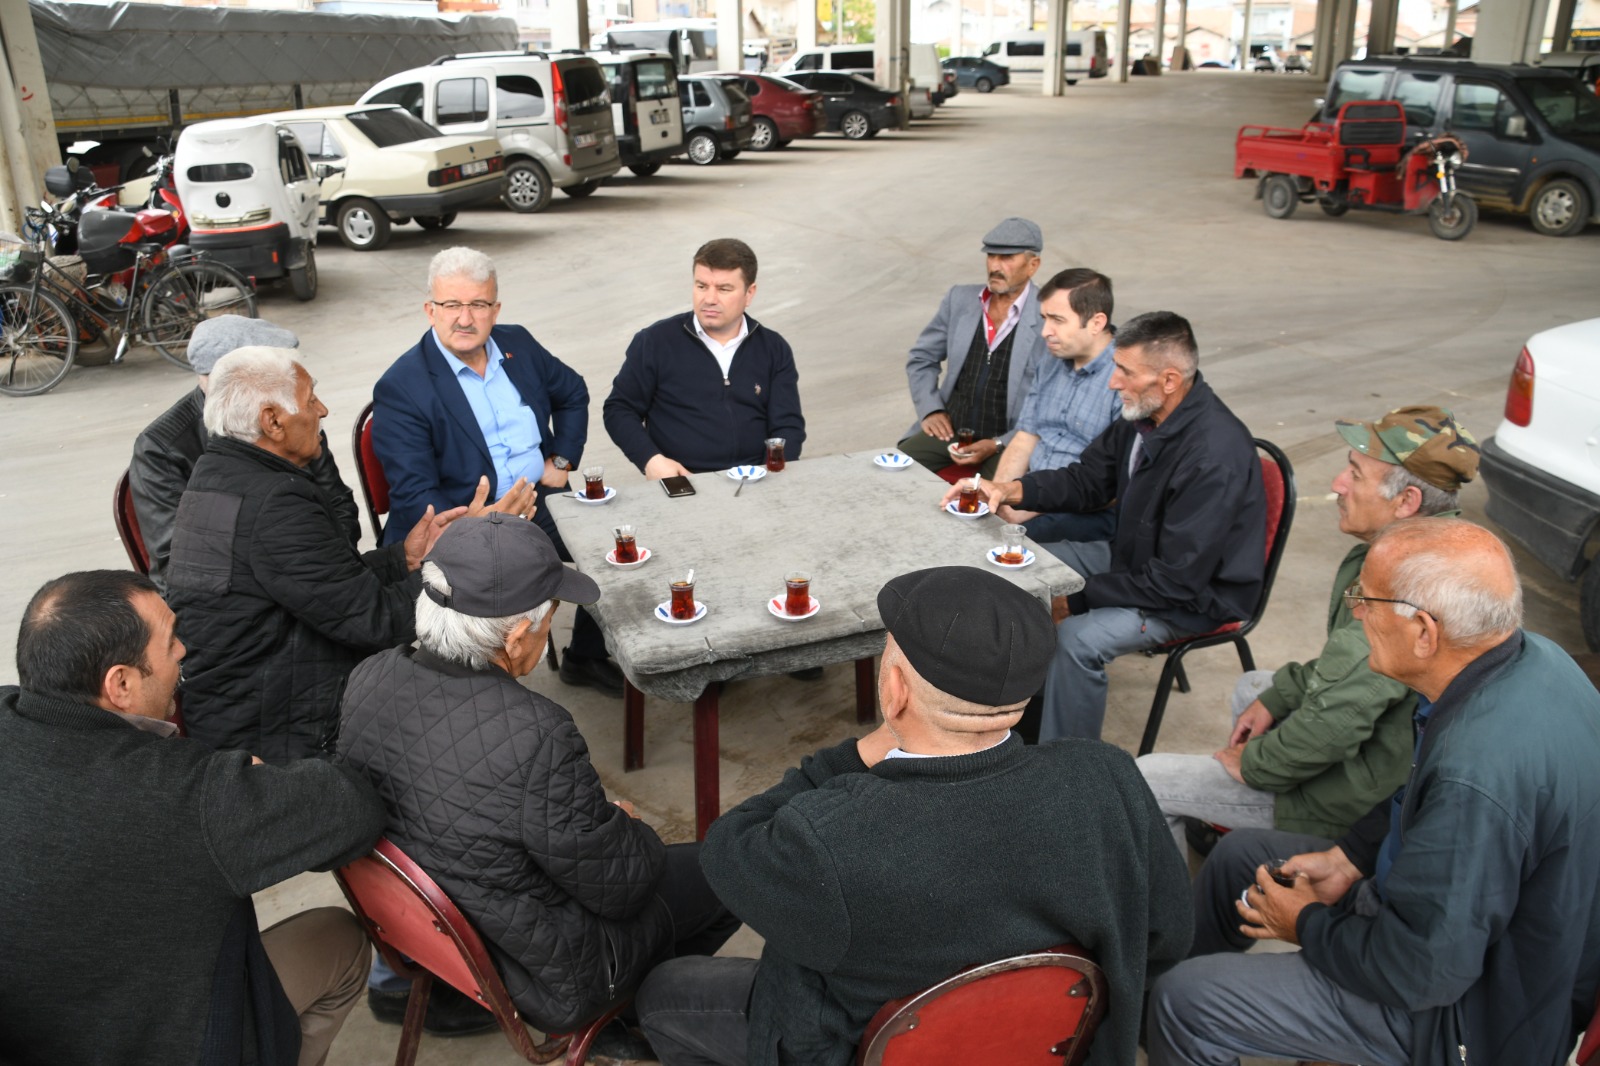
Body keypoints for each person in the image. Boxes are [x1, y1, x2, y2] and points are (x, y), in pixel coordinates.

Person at [632, 566, 1193, 1066]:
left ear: (894, 687)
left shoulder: (827, 841)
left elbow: (728, 848)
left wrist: (862, 749)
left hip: (846, 1046)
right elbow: (1168, 935)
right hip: (1052, 1046)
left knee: (663, 994)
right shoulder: (1107, 776)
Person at [1149, 519, 1600, 1066]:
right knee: (1240, 857)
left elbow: (1423, 971)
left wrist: (1308, 925)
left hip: (1462, 1020)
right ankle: (1155, 1000)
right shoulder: (1529, 660)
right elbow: (1419, 788)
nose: (1356, 611)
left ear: (1425, 632)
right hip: (1444, 927)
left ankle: (1170, 1012)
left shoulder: (1475, 777)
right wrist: (1349, 856)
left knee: (1189, 1000)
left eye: (1367, 599)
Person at [338, 513, 739, 1051]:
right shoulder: (534, 734)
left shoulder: (369, 675)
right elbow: (622, 885)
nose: (548, 630)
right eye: (551, 620)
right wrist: (625, 825)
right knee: (732, 866)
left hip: (445, 937)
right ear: (518, 635)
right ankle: (637, 1015)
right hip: (547, 971)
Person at [0, 570, 385, 1066]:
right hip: (171, 1044)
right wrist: (252, 780)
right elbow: (353, 809)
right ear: (120, 683)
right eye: (170, 644)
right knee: (340, 939)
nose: (182, 651)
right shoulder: (191, 795)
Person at [1136, 406, 1480, 855]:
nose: (1338, 483)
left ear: (1407, 502)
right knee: (1256, 689)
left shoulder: (1403, 585)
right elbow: (1349, 666)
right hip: (1391, 749)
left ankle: (1184, 922)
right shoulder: (1429, 547)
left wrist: (1255, 765)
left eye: (1355, 474)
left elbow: (1338, 718)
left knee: (1148, 781)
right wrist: (1276, 699)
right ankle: (1247, 836)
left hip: (1366, 792)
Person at [954, 311, 1265, 742]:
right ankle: (1013, 725)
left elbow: (1177, 580)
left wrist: (1077, 600)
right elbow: (1087, 480)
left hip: (1194, 598)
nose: (1112, 382)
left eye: (1124, 371)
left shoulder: (1214, 457)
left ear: (1170, 380)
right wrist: (1005, 490)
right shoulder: (1143, 418)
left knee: (1076, 640)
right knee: (1017, 570)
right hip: (1134, 559)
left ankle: (1071, 772)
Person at [166, 346, 477, 763]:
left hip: (256, 699)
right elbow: (376, 621)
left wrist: (403, 556)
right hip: (280, 732)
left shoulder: (218, 473)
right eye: (311, 398)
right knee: (476, 717)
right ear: (272, 421)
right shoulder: (274, 500)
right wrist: (462, 555)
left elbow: (319, 583)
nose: (323, 410)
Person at [370, 246, 621, 697]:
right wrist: (481, 522)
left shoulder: (517, 343)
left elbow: (573, 392)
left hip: (536, 504)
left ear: (495, 309)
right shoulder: (402, 386)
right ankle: (477, 701)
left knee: (617, 550)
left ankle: (584, 655)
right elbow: (414, 493)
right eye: (452, 305)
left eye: (478, 305)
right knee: (470, 614)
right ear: (430, 309)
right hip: (459, 525)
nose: (465, 318)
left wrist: (561, 460)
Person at [127, 315, 358, 592]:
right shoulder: (161, 449)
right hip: (238, 609)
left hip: (316, 578)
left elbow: (339, 503)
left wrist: (325, 570)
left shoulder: (293, 412)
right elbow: (180, 567)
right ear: (236, 377)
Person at [603, 238, 805, 478]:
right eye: (701, 286)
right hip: (682, 480)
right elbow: (619, 409)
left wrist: (768, 473)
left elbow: (787, 426)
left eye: (723, 289)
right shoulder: (655, 342)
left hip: (755, 478)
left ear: (749, 293)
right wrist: (651, 461)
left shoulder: (773, 348)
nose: (709, 299)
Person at [898, 217, 1050, 479]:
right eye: (991, 256)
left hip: (1008, 439)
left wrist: (999, 443)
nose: (995, 266)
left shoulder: (1049, 315)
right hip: (952, 430)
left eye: (1007, 258)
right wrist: (931, 409)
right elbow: (921, 358)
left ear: (1032, 265)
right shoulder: (960, 300)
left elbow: (1051, 397)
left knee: (989, 505)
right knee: (893, 474)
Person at [988, 267, 1122, 546]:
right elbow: (1025, 437)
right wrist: (1000, 497)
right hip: (1031, 494)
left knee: (1001, 551)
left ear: (1096, 322)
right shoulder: (1050, 361)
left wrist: (1026, 505)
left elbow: (1113, 486)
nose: (1046, 331)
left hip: (1086, 508)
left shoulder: (1125, 378)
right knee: (974, 526)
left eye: (1057, 320)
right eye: (1044, 318)